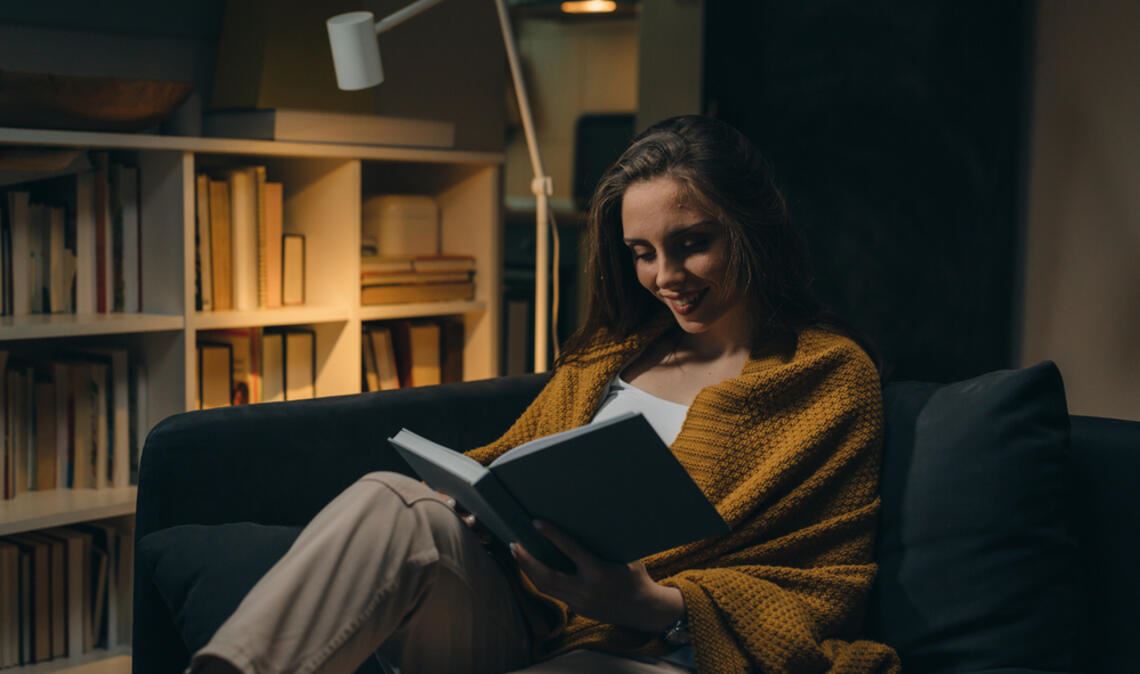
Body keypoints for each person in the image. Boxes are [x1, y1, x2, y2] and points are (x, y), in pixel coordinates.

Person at [188, 115, 901, 674]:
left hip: (664, 652)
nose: (665, 276)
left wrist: (653, 604)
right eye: (642, 253)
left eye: (692, 243)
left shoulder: (828, 378)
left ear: (750, 230)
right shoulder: (611, 357)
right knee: (393, 498)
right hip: (528, 620)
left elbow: (823, 589)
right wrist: (470, 503)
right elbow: (509, 463)